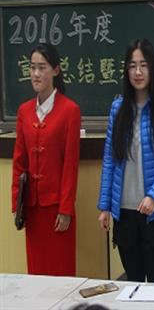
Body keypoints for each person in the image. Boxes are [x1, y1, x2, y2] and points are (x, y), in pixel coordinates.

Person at [97, 39, 154, 283]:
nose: (137, 72)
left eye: (143, 65)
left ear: (152, 68)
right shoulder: (117, 109)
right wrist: (105, 205)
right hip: (124, 211)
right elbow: (110, 158)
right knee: (132, 280)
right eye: (132, 66)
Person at [11, 43, 81, 276]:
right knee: (36, 272)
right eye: (32, 67)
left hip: (57, 208)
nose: (36, 74)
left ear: (55, 70)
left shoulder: (70, 110)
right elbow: (19, 161)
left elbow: (70, 165)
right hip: (31, 208)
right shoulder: (24, 111)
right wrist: (16, 204)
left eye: (42, 67)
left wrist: (66, 208)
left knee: (61, 272)